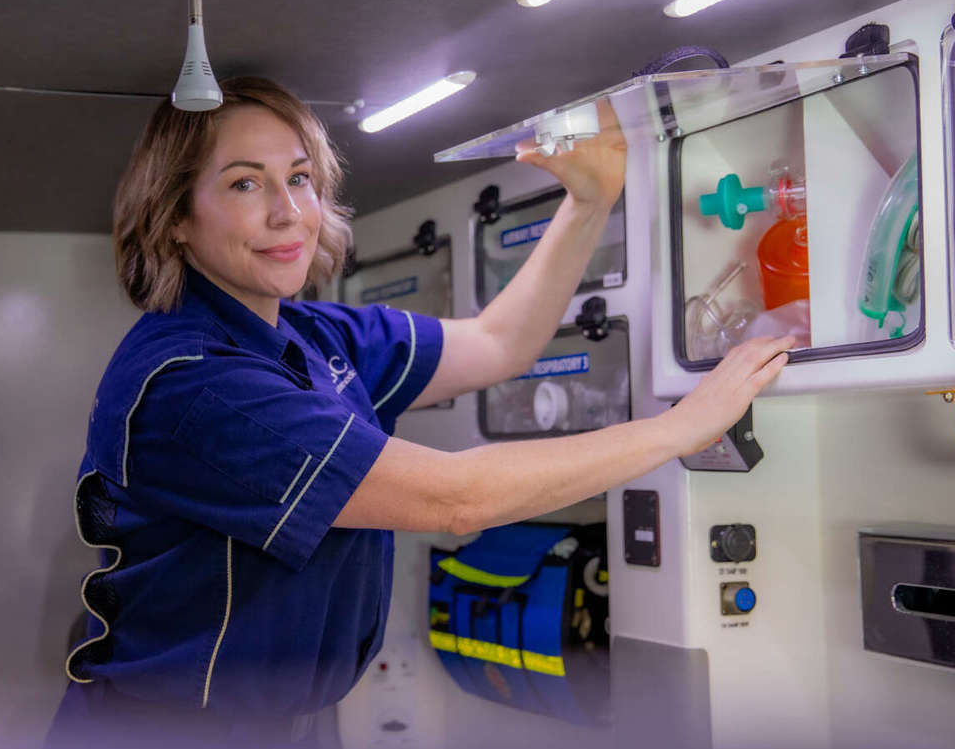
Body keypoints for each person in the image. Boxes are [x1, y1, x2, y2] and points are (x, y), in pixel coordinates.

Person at [43, 76, 793, 749]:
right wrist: (683, 427)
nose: (288, 212)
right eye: (245, 184)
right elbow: (456, 500)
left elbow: (501, 342)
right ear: (174, 217)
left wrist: (589, 199)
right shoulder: (193, 380)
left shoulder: (312, 332)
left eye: (300, 178)